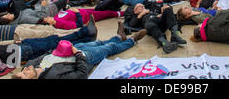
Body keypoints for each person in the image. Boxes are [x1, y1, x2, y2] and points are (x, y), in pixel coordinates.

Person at [0, 23, 98, 78]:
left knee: (51, 41)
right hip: (16, 54)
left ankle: (86, 37)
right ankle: (84, 32)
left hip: (15, 47)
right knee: (54, 42)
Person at [12, 25, 147, 79]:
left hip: (69, 50)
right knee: (109, 48)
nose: (26, 69)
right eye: (25, 73)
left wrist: (28, 67)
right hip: (83, 57)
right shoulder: (51, 76)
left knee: (99, 42)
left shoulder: (34, 67)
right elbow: (81, 74)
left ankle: (118, 37)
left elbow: (36, 59)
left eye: (23, 70)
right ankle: (132, 40)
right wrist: (78, 55)